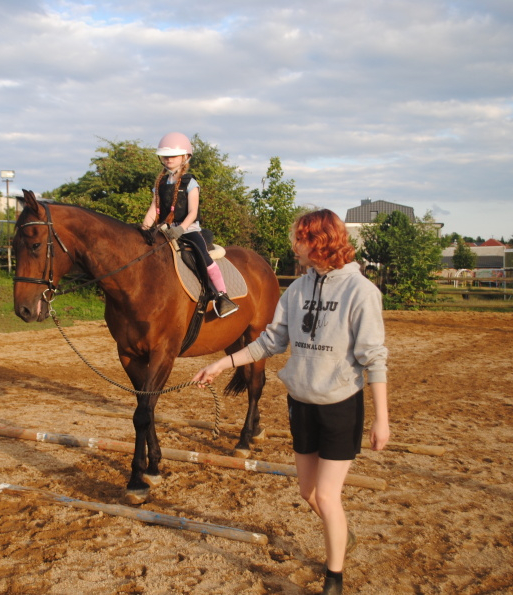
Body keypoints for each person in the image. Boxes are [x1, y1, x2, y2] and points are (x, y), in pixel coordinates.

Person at [192, 209, 389, 595]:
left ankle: (333, 578)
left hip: (340, 405)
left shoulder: (361, 292)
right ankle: (340, 532)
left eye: (299, 239)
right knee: (308, 493)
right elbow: (270, 341)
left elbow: (374, 357)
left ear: (319, 241)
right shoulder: (297, 290)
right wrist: (221, 363)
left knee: (327, 496)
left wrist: (381, 419)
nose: (293, 246)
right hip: (301, 403)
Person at [141, 132, 239, 318]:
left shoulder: (190, 183)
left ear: (185, 157)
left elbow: (193, 212)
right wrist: (144, 229)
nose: (169, 159)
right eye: (165, 156)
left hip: (187, 229)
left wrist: (180, 229)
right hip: (164, 230)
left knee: (203, 256)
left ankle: (222, 296)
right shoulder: (160, 183)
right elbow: (154, 209)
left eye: (173, 155)